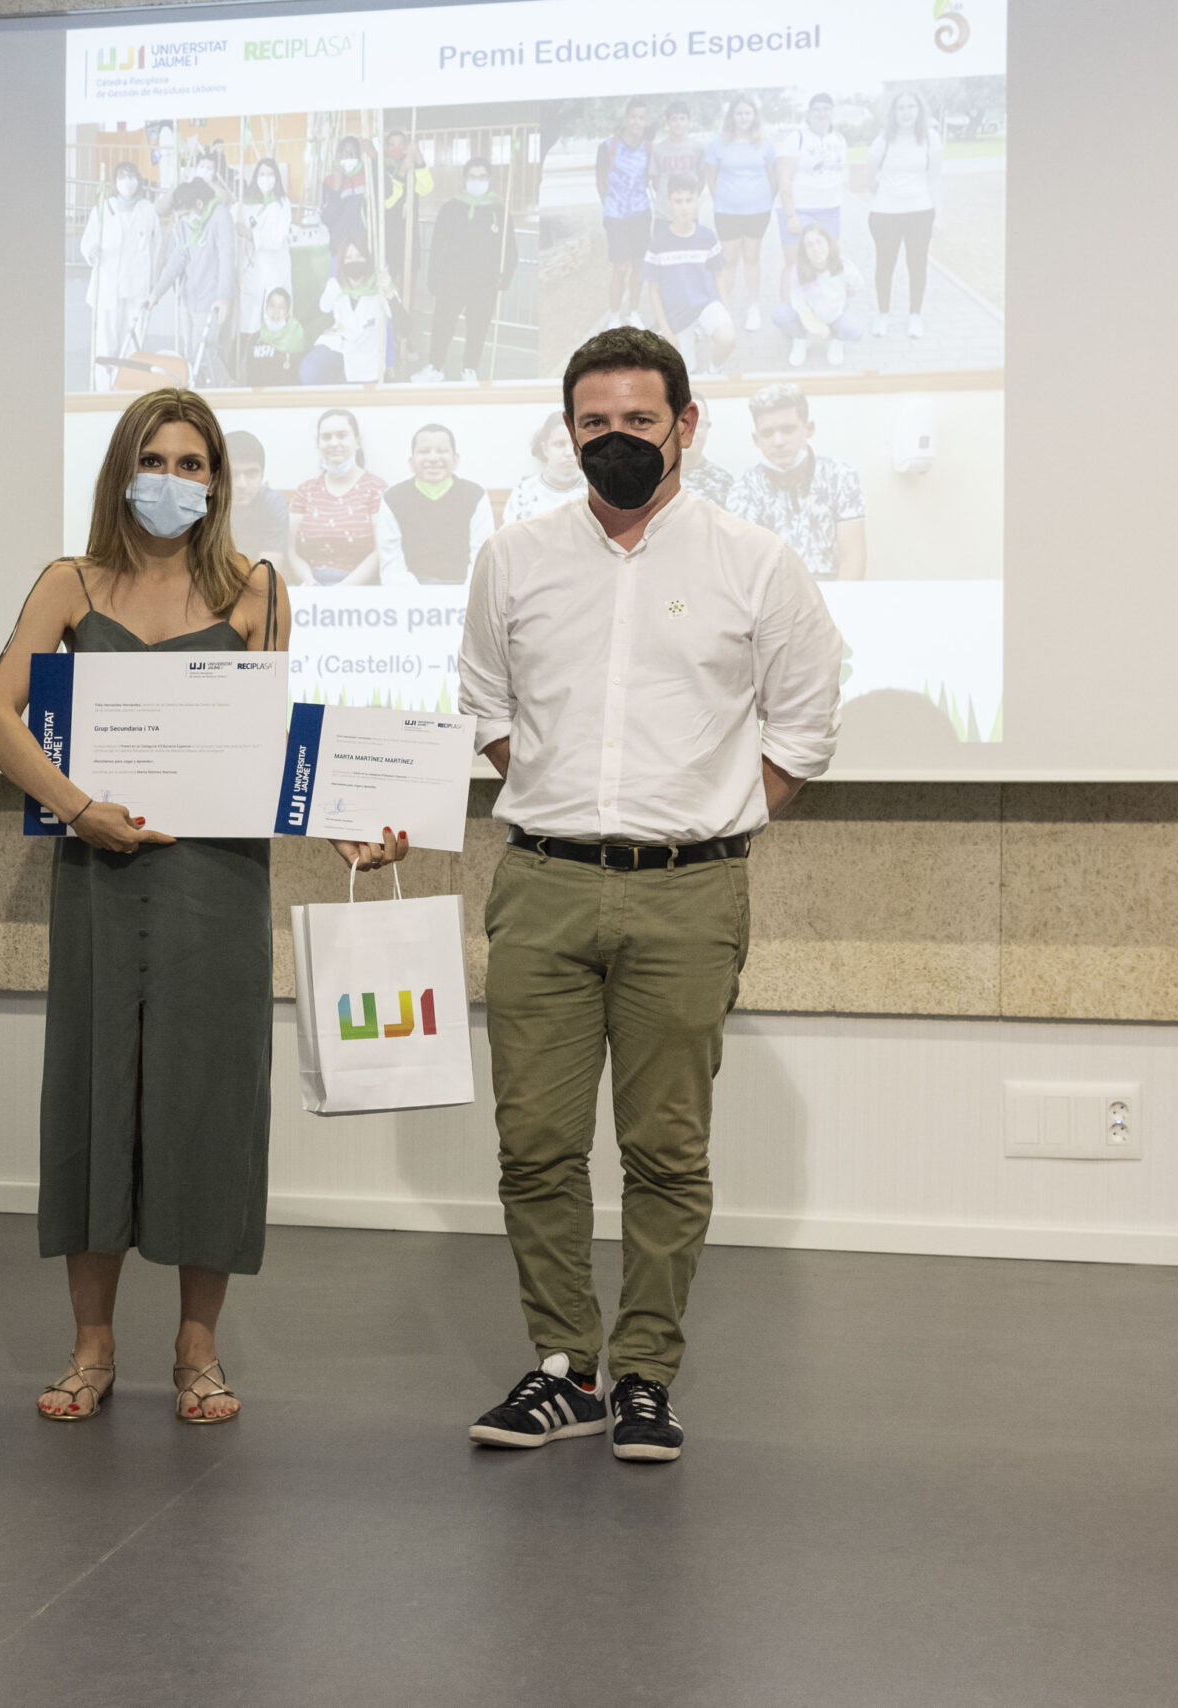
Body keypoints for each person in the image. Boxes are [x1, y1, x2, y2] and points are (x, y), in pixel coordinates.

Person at [0, 388, 402, 1426]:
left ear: (218, 481)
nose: (174, 480)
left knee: (210, 1102)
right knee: (95, 1099)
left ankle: (196, 1352)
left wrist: (344, 824)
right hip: (100, 880)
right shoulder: (69, 582)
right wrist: (76, 807)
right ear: (123, 469)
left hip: (218, 884)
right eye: (155, 460)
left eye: (193, 464)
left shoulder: (257, 588)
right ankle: (91, 1347)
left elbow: (273, 743)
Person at [456, 327, 842, 1463]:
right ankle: (565, 1368)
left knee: (665, 1153)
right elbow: (486, 710)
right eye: (594, 423)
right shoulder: (513, 558)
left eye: (638, 420)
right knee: (534, 1144)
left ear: (686, 424)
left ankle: (645, 1374)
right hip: (542, 885)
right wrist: (566, 798)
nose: (615, 439)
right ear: (567, 431)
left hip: (689, 895)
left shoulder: (755, 562)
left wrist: (705, 814)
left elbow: (804, 727)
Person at [726, 381, 868, 579]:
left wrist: (840, 598)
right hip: (772, 590)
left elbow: (853, 557)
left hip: (832, 589)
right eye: (767, 433)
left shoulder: (840, 476)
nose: (778, 441)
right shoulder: (743, 490)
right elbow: (744, 565)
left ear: (809, 429)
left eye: (788, 429)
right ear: (756, 439)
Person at [417, 160, 512, 383]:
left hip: (484, 283)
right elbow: (437, 244)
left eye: (482, 177)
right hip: (451, 281)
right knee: (442, 325)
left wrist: (505, 276)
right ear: (464, 179)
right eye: (472, 176)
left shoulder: (499, 211)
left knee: (478, 328)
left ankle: (470, 368)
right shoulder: (450, 208)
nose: (477, 181)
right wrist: (434, 278)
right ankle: (435, 366)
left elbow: (510, 249)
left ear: (489, 179)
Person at [640, 175, 736, 375]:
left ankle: (713, 370)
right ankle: (688, 338)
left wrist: (726, 308)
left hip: (704, 305)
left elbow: (719, 276)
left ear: (697, 201)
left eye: (689, 200)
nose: (684, 207)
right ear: (669, 204)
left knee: (727, 337)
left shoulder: (707, 237)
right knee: (685, 372)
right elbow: (654, 291)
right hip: (677, 316)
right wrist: (666, 329)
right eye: (678, 201)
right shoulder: (658, 243)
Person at [867, 91, 944, 339]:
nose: (906, 112)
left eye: (911, 106)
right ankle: (883, 315)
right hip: (885, 213)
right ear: (894, 112)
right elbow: (868, 176)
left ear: (919, 110)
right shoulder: (883, 139)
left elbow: (934, 180)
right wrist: (888, 195)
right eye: (901, 107)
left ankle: (915, 316)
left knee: (917, 265)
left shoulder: (931, 138)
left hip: (920, 212)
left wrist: (937, 216)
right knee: (884, 265)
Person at [145, 179, 237, 386]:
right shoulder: (185, 224)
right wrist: (156, 292)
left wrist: (224, 297)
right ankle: (201, 391)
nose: (184, 220)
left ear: (199, 204)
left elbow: (226, 258)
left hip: (212, 298)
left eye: (186, 214)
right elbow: (178, 258)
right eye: (180, 216)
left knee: (205, 354)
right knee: (190, 356)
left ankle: (226, 388)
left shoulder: (219, 215)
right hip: (190, 298)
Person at [378, 422, 492, 586]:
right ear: (411, 462)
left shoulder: (475, 496)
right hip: (410, 592)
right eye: (424, 451)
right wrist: (417, 597)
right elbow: (391, 564)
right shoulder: (392, 499)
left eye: (442, 451)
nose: (433, 458)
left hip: (463, 589)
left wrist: (465, 595)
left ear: (455, 459)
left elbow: (482, 557)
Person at [285, 406, 390, 585]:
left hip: (358, 590)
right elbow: (291, 549)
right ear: (318, 443)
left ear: (357, 442)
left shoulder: (376, 489)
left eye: (342, 435)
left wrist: (342, 590)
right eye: (326, 437)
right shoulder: (305, 491)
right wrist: (310, 583)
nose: (334, 443)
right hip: (310, 587)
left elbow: (380, 551)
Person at [80, 161, 161, 392]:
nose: (128, 181)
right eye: (123, 176)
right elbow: (87, 241)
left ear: (138, 180)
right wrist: (91, 252)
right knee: (106, 341)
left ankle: (127, 388)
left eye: (132, 176)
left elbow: (157, 246)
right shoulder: (103, 208)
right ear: (115, 182)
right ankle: (103, 390)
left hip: (137, 286)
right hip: (108, 286)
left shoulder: (147, 209)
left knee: (132, 340)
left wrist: (154, 282)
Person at [703, 95, 778, 334]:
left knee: (752, 258)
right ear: (732, 116)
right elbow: (710, 177)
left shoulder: (765, 144)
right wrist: (722, 200)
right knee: (729, 261)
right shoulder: (718, 144)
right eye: (739, 113)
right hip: (727, 213)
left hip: (757, 212)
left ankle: (753, 307)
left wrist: (765, 201)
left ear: (754, 116)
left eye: (747, 113)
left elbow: (773, 178)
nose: (743, 117)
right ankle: (724, 311)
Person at [774, 92, 847, 317]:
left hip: (830, 210)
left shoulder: (839, 139)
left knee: (826, 261)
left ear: (832, 112)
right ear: (809, 114)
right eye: (817, 109)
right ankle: (789, 314)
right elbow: (784, 179)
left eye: (826, 109)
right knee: (794, 263)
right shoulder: (796, 138)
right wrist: (791, 215)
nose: (822, 113)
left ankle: (823, 311)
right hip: (800, 209)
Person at [591, 101, 652, 332]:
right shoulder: (608, 147)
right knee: (620, 267)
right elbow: (600, 180)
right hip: (616, 216)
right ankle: (614, 315)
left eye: (642, 117)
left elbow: (649, 178)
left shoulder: (648, 148)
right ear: (626, 119)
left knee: (638, 266)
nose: (637, 122)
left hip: (641, 214)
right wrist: (609, 205)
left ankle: (633, 312)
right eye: (634, 117)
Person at [774, 221, 869, 367]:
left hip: (835, 313)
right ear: (804, 251)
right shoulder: (798, 271)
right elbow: (799, 304)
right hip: (809, 313)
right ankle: (800, 339)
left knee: (855, 330)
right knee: (780, 314)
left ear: (828, 243)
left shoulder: (842, 265)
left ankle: (837, 341)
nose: (816, 248)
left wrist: (850, 291)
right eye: (809, 245)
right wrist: (818, 327)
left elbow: (859, 283)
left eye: (819, 242)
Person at [300, 240, 391, 385]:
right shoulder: (335, 286)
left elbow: (405, 327)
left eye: (359, 256)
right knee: (309, 369)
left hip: (366, 354)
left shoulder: (379, 288)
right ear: (342, 263)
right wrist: (300, 323)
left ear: (367, 260)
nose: (354, 261)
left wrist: (389, 292)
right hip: (339, 345)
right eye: (349, 257)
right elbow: (320, 308)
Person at [235, 157, 294, 328]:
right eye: (261, 174)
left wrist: (251, 234)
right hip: (252, 264)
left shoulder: (282, 203)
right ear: (255, 177)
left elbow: (277, 238)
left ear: (277, 178)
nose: (265, 178)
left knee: (274, 307)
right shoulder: (246, 202)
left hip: (274, 264)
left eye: (270, 174)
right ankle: (249, 339)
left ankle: (274, 340)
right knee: (250, 310)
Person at [378, 129, 435, 300]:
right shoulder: (382, 169)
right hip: (388, 235)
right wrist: (401, 173)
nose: (396, 148)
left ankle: (406, 312)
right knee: (387, 282)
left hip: (409, 233)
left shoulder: (412, 166)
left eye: (401, 144)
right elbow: (387, 202)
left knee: (409, 281)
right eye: (392, 144)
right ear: (386, 148)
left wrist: (418, 158)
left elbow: (426, 189)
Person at [503, 409, 587, 525]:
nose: (569, 452)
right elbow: (508, 534)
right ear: (545, 449)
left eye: (574, 443)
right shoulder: (524, 493)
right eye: (559, 444)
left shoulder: (594, 491)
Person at [647, 102, 709, 242]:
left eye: (682, 118)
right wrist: (667, 195)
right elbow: (656, 181)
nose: (678, 123)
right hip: (664, 214)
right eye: (674, 119)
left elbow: (702, 178)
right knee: (663, 251)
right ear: (668, 122)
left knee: (690, 251)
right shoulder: (658, 149)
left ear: (688, 121)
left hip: (689, 213)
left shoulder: (698, 148)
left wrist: (690, 197)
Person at [226, 428, 291, 562]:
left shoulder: (273, 503)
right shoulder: (204, 503)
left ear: (262, 475)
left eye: (251, 474)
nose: (242, 484)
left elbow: (269, 567)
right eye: (233, 474)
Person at [240, 287, 309, 387]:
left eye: (281, 307)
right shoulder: (255, 338)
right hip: (257, 393)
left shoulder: (294, 337)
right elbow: (248, 374)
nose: (276, 311)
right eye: (272, 306)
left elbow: (296, 376)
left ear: (287, 312)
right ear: (266, 308)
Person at [320, 136, 373, 260]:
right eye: (345, 153)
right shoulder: (329, 180)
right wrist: (336, 188)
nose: (348, 156)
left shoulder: (367, 176)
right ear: (338, 156)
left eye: (352, 152)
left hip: (363, 243)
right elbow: (327, 218)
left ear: (359, 156)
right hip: (339, 244)